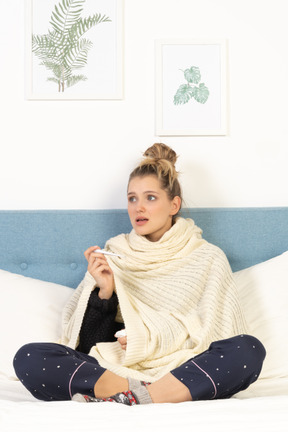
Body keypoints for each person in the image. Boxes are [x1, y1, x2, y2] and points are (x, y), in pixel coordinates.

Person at [13, 143, 265, 405]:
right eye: (132, 198)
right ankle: (140, 394)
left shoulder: (207, 258)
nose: (138, 208)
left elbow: (218, 337)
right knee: (29, 357)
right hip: (117, 370)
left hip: (182, 369)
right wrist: (105, 293)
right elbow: (90, 346)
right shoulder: (114, 253)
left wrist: (148, 338)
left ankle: (133, 397)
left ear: (174, 204)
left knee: (248, 350)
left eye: (150, 198)